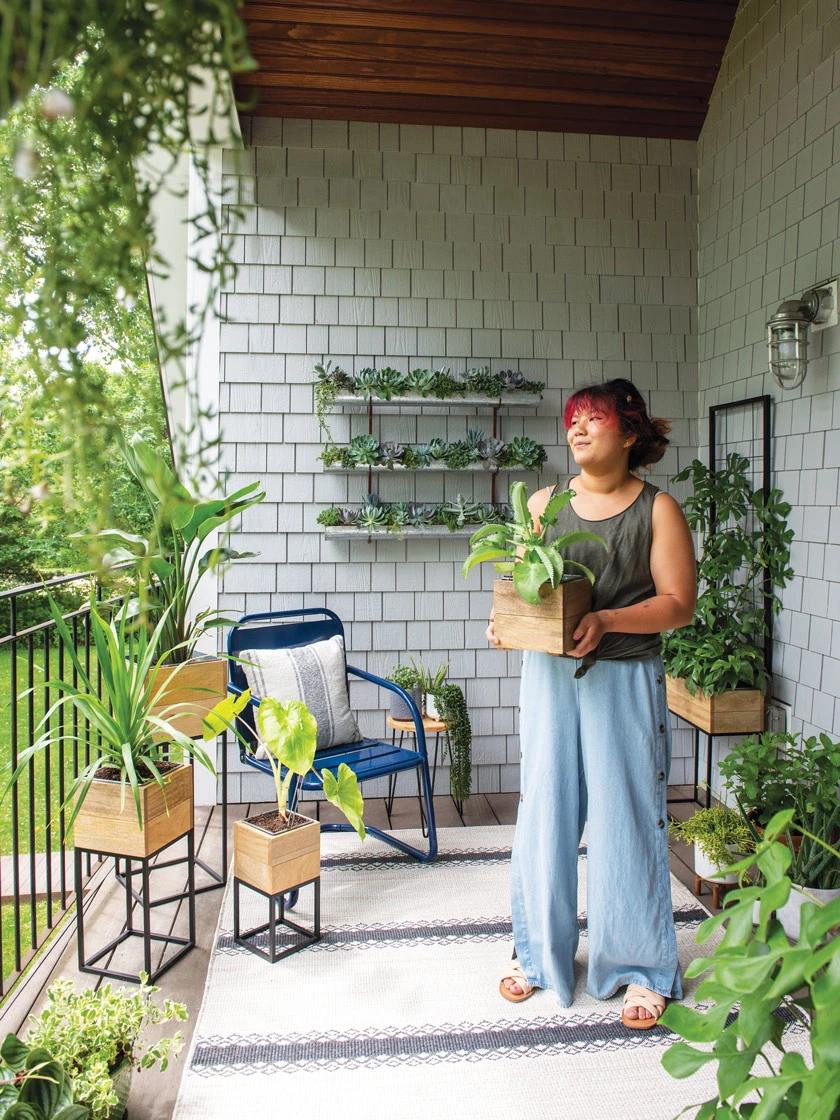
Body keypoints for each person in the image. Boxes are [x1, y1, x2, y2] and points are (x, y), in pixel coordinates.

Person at [487, 378, 696, 1029]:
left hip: (624, 680)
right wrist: (506, 623)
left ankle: (640, 967)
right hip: (549, 682)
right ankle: (539, 956)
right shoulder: (545, 503)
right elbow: (525, 586)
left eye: (593, 420)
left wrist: (606, 622)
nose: (576, 430)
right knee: (544, 815)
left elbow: (679, 604)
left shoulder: (658, 510)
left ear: (629, 433)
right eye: (572, 420)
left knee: (624, 819)